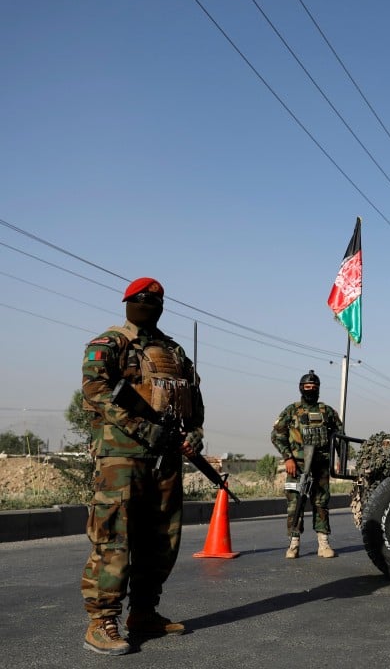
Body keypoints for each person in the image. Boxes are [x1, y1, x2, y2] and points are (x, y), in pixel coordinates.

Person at [80, 277, 204, 655]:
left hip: (164, 457)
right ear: (128, 303)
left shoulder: (173, 350)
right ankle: (101, 621)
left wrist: (193, 434)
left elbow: (192, 399)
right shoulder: (109, 343)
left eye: (154, 301)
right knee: (114, 536)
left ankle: (144, 612)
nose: (148, 305)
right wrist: (141, 427)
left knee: (162, 538)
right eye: (141, 300)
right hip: (121, 456)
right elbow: (96, 393)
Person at [271, 370, 343, 559]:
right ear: (301, 388)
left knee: (321, 503)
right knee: (295, 504)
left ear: (318, 389)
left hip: (320, 466)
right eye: (307, 387)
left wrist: (339, 460)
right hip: (297, 467)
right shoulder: (291, 410)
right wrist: (288, 458)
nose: (310, 390)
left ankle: (323, 544)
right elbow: (277, 435)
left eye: (314, 387)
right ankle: (294, 544)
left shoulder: (327, 411)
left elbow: (339, 436)